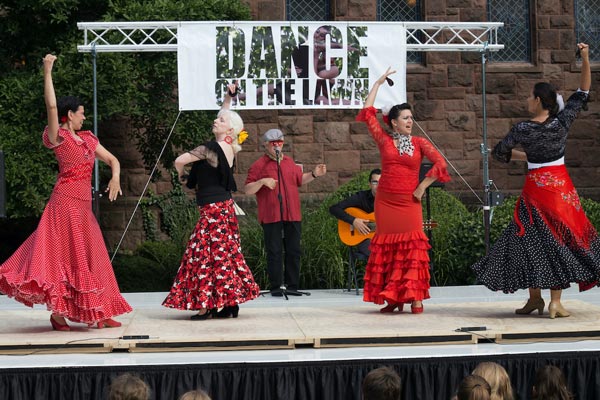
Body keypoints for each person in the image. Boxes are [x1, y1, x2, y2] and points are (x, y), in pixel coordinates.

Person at [0, 54, 132, 331]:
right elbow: (50, 105)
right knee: (61, 258)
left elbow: (113, 160)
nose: (85, 116)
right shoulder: (57, 136)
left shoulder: (87, 139)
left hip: (82, 208)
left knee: (92, 257)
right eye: (81, 112)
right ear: (69, 115)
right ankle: (59, 314)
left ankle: (100, 310)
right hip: (63, 204)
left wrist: (116, 177)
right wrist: (47, 72)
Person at [471, 43, 598, 319]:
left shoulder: (523, 129)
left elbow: (500, 152)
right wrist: (585, 57)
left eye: (530, 97)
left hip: (535, 189)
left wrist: (526, 155)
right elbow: (584, 90)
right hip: (560, 188)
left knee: (529, 240)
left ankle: (535, 298)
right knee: (559, 239)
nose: (527, 100)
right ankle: (553, 302)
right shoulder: (562, 122)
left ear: (538, 100)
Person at [356, 68, 450, 314]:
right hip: (385, 203)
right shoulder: (385, 141)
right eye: (406, 118)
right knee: (389, 248)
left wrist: (421, 187)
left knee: (412, 247)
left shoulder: (419, 143)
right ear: (394, 122)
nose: (410, 121)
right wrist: (377, 83)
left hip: (409, 203)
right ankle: (394, 298)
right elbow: (367, 113)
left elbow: (441, 164)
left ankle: (415, 298)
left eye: (411, 118)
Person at [162, 83, 259, 319]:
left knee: (203, 255)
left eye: (221, 121)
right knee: (224, 256)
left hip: (214, 210)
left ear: (230, 130)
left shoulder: (210, 149)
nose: (216, 121)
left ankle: (206, 305)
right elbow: (224, 115)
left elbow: (179, 160)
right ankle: (228, 303)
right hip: (222, 207)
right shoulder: (229, 147)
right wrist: (228, 98)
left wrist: (182, 177)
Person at [245, 128, 327, 296]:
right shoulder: (258, 165)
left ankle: (292, 286)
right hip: (271, 215)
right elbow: (247, 189)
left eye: (280, 142)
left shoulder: (290, 162)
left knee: (294, 250)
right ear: (266, 145)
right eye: (273, 143)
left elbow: (299, 180)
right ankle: (276, 287)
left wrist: (314, 174)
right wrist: (261, 181)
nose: (277, 146)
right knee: (274, 251)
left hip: (292, 213)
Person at [329, 168, 381, 257]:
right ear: (370, 184)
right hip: (363, 239)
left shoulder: (391, 201)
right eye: (375, 182)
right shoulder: (361, 197)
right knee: (377, 254)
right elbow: (334, 208)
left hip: (384, 239)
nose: (378, 186)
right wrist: (354, 221)